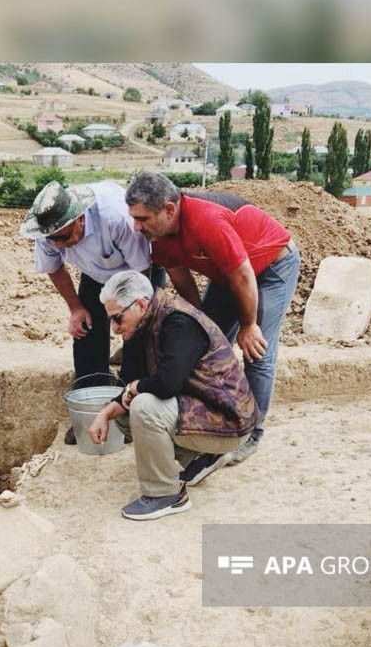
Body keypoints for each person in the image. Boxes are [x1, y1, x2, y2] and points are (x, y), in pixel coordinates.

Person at [123, 171, 300, 470]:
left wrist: (248, 324)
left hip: (270, 269)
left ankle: (251, 433)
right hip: (227, 272)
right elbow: (181, 278)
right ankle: (212, 417)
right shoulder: (160, 235)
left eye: (142, 219)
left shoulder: (207, 220)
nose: (136, 227)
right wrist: (198, 322)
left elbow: (244, 275)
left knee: (256, 350)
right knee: (204, 343)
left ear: (169, 209)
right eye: (134, 218)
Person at [86, 270, 259, 521]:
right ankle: (199, 458)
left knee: (144, 407)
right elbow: (131, 383)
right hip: (203, 409)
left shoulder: (179, 321)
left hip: (229, 420)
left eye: (117, 318)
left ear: (141, 304)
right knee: (126, 411)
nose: (114, 328)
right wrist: (106, 412)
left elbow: (167, 384)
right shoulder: (140, 325)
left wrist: (134, 391)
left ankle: (165, 494)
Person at [20, 179, 154, 444]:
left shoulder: (116, 218)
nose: (57, 245)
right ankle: (89, 413)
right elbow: (54, 267)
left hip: (136, 271)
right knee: (86, 331)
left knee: (139, 337)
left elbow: (142, 269)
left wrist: (130, 317)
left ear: (80, 218)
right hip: (95, 273)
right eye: (52, 239)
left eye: (63, 238)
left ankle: (128, 414)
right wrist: (75, 308)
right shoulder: (50, 229)